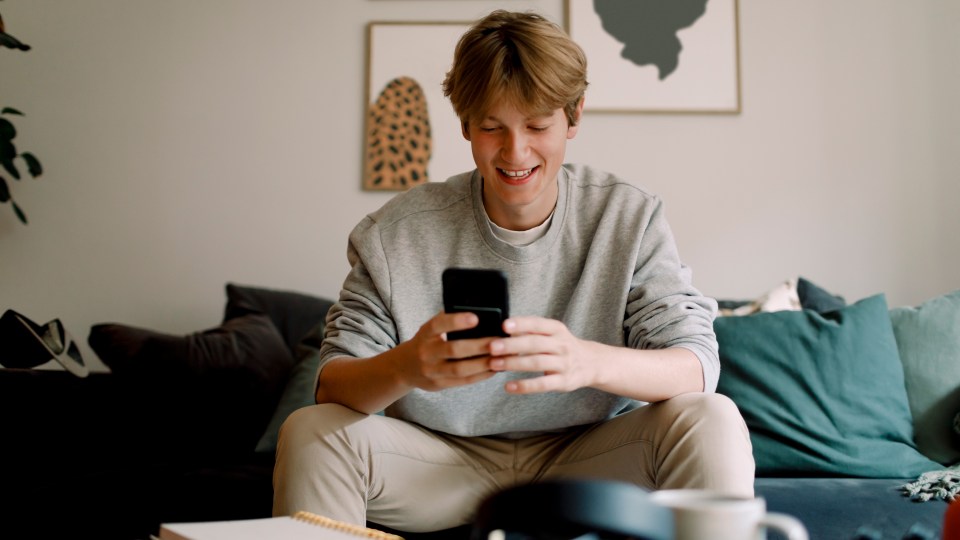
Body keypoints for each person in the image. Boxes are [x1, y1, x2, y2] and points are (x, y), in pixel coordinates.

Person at [273, 9, 754, 533]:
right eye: (491, 127)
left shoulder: (628, 217)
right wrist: (407, 367)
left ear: (574, 117)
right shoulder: (395, 233)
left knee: (714, 418)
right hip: (439, 464)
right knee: (308, 430)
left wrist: (587, 361)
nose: (516, 151)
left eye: (538, 125)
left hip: (589, 459)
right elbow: (332, 383)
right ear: (464, 125)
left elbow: (697, 365)